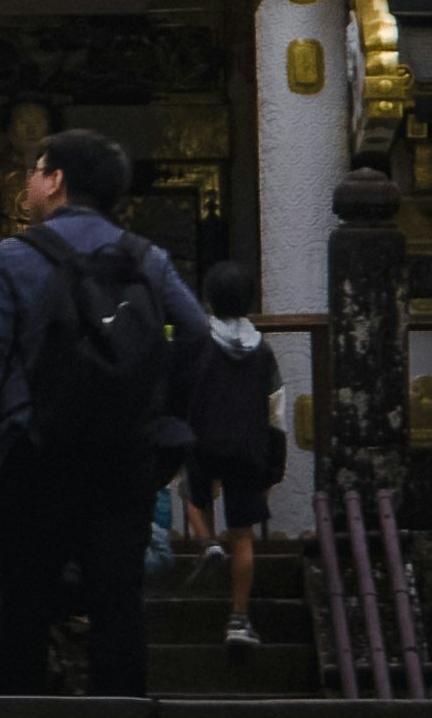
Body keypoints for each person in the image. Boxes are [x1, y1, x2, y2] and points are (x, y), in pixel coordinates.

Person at [0, 127, 208, 698]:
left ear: (56, 180)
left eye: (36, 171)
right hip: (123, 455)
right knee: (118, 604)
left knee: (24, 607)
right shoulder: (146, 258)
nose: (30, 183)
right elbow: (196, 334)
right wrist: (164, 415)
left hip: (35, 451)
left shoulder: (14, 256)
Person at [167, 263, 284, 662]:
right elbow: (275, 410)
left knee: (192, 495)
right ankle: (238, 617)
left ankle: (207, 542)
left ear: (209, 300)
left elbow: (178, 392)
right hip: (249, 447)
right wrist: (274, 463)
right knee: (245, 533)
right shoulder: (262, 350)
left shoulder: (197, 343)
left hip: (203, 442)